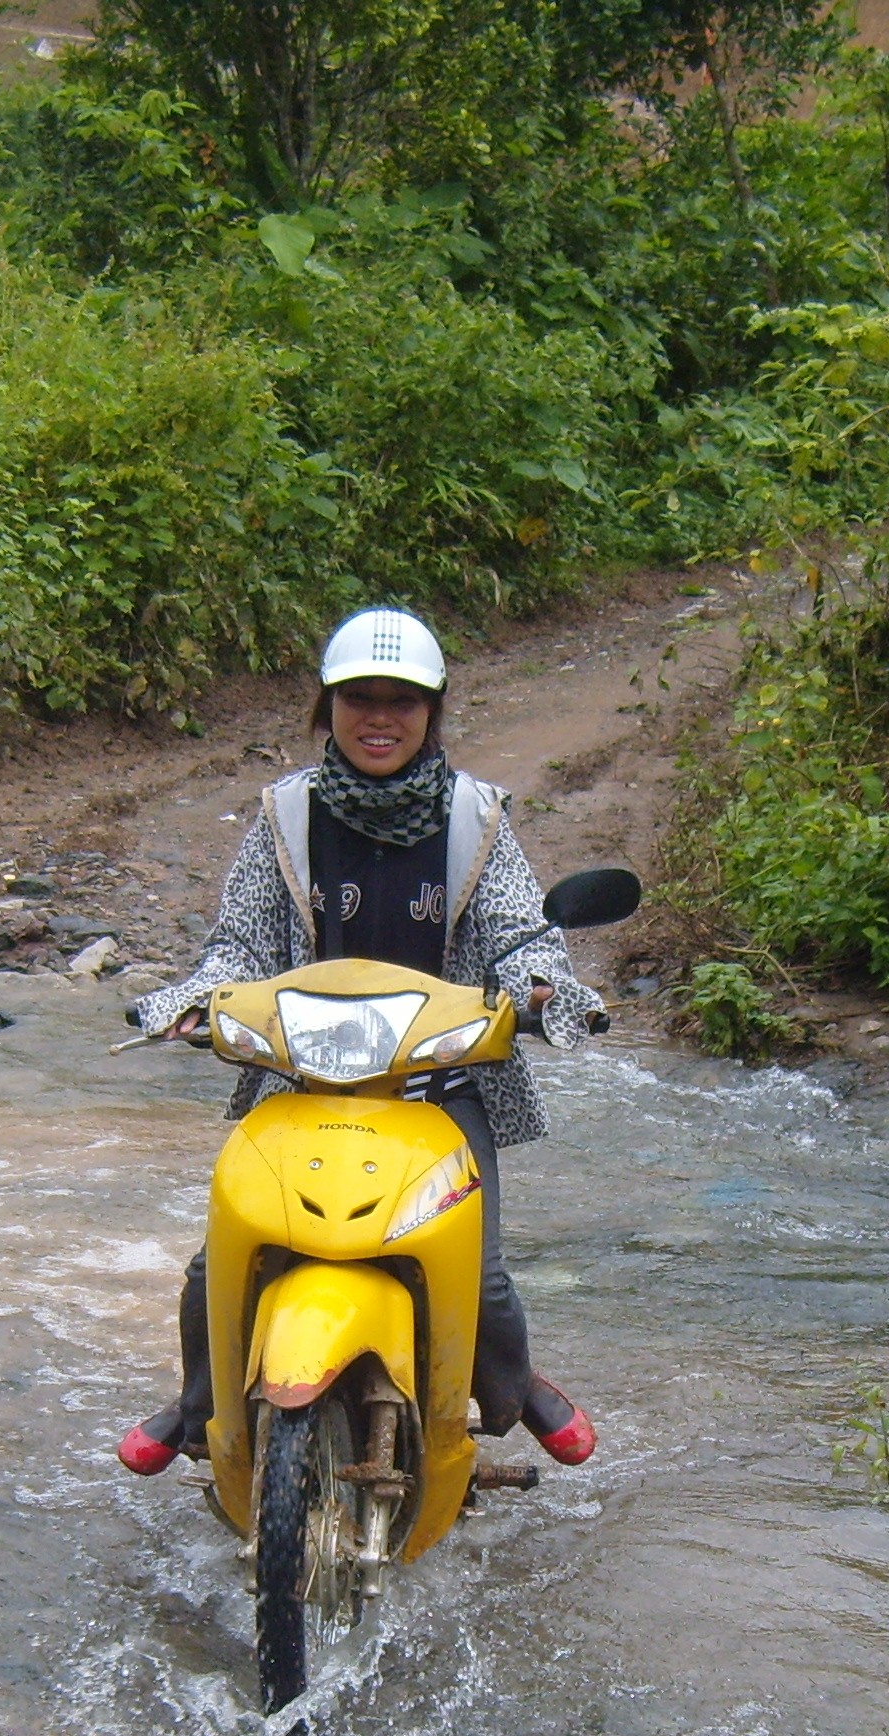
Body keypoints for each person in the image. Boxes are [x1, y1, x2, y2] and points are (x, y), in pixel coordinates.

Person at [116, 606, 604, 1475]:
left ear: (433, 713)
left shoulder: (474, 820)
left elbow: (518, 933)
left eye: (403, 702)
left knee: (482, 1281)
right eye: (359, 699)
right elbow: (240, 943)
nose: (380, 718)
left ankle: (512, 1384)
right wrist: (195, 1000)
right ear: (326, 707)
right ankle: (201, 1407)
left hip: (438, 1087)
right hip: (300, 1082)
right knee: (214, 1265)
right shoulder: (286, 817)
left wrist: (544, 986)